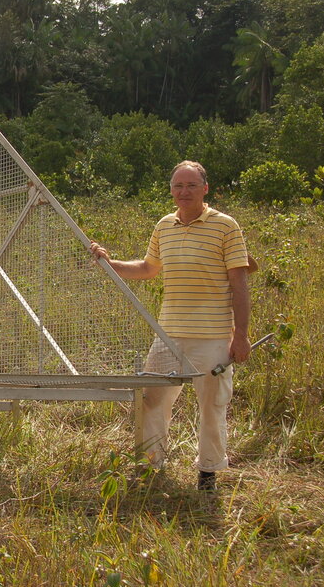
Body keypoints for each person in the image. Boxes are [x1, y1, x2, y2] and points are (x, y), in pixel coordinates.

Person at [89, 161, 251, 491]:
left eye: (191, 185)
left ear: (205, 189)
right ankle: (150, 466)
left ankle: (208, 472)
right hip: (169, 335)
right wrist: (111, 263)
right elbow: (148, 268)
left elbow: (240, 284)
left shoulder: (226, 227)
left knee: (212, 404)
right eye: (178, 185)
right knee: (151, 400)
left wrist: (242, 336)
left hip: (213, 337)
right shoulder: (164, 226)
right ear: (171, 190)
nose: (184, 192)